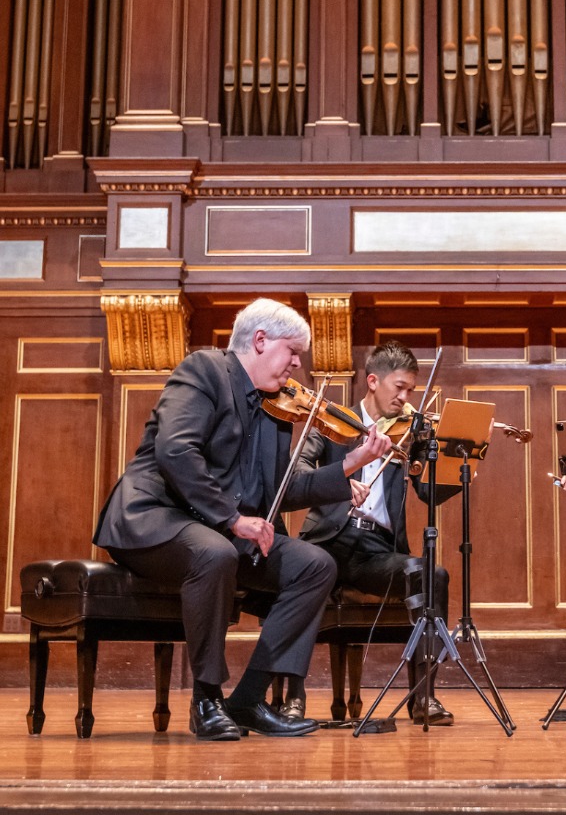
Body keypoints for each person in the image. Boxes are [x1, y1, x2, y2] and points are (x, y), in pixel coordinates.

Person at [93, 298, 392, 740]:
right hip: (157, 519)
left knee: (315, 565)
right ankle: (207, 699)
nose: (297, 364)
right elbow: (176, 450)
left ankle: (248, 699)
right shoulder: (204, 370)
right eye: (292, 351)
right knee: (214, 554)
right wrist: (234, 520)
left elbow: (280, 491)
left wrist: (349, 464)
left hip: (215, 528)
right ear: (259, 340)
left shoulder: (275, 408)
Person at [282, 340, 453, 726]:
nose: (406, 397)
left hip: (377, 550)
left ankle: (423, 698)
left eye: (411, 389)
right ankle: (293, 697)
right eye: (400, 388)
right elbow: (298, 473)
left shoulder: (410, 431)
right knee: (302, 576)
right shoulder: (331, 422)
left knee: (431, 574)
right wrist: (340, 478)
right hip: (327, 540)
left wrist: (461, 464)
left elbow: (429, 492)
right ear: (373, 381)